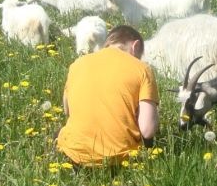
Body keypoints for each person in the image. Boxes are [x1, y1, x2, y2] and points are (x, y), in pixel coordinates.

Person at [56, 25, 160, 165]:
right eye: (138, 56)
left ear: (109, 43)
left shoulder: (77, 63)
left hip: (75, 155)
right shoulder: (143, 69)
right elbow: (147, 131)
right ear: (136, 46)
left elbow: (67, 111)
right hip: (120, 158)